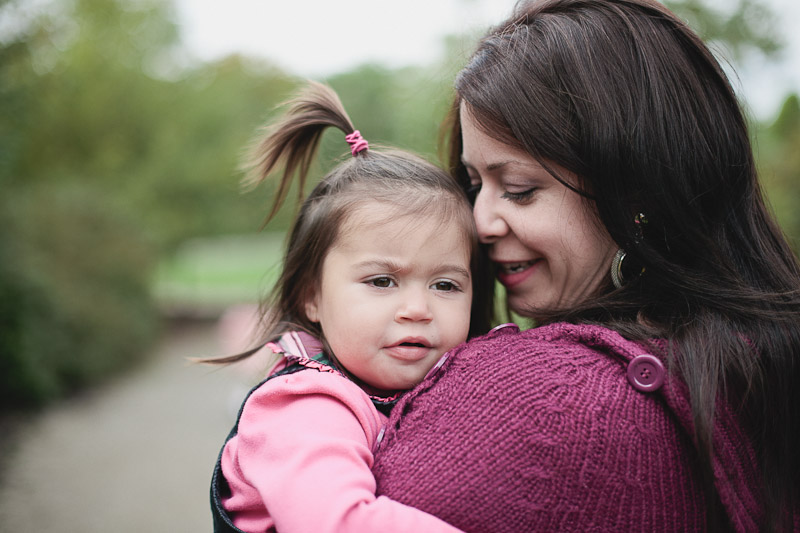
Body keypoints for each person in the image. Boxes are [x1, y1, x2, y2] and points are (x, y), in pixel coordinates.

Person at [371, 0, 800, 531]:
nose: (481, 222)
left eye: (521, 190)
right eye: (475, 185)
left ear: (639, 190)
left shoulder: (537, 402)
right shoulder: (755, 363)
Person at [207, 81, 492, 533]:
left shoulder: (441, 379)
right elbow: (339, 522)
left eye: (445, 284)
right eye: (382, 281)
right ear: (311, 296)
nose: (417, 308)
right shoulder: (306, 405)